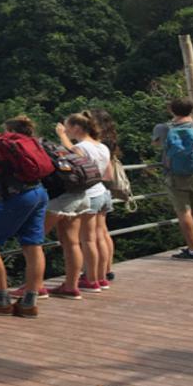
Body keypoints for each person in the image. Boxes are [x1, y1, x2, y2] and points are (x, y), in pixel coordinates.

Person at [0, 115, 48, 318]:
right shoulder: (29, 144)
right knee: (32, 246)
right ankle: (29, 302)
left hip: (17, 196)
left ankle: (1, 300)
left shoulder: (4, 146)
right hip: (38, 192)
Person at [54, 112, 111, 294]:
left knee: (87, 240)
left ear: (77, 128)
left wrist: (61, 136)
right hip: (102, 191)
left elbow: (72, 155)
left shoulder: (83, 147)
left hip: (90, 194)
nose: (66, 131)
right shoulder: (102, 146)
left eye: (68, 127)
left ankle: (91, 279)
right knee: (99, 237)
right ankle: (101, 277)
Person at [152, 98, 193, 262]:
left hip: (174, 174)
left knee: (184, 212)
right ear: (191, 110)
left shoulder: (163, 128)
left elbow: (156, 144)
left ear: (171, 110)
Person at [89, 109, 119, 284]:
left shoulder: (96, 144)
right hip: (106, 191)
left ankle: (97, 273)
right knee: (103, 232)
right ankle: (106, 269)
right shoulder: (109, 142)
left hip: (96, 189)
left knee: (94, 235)